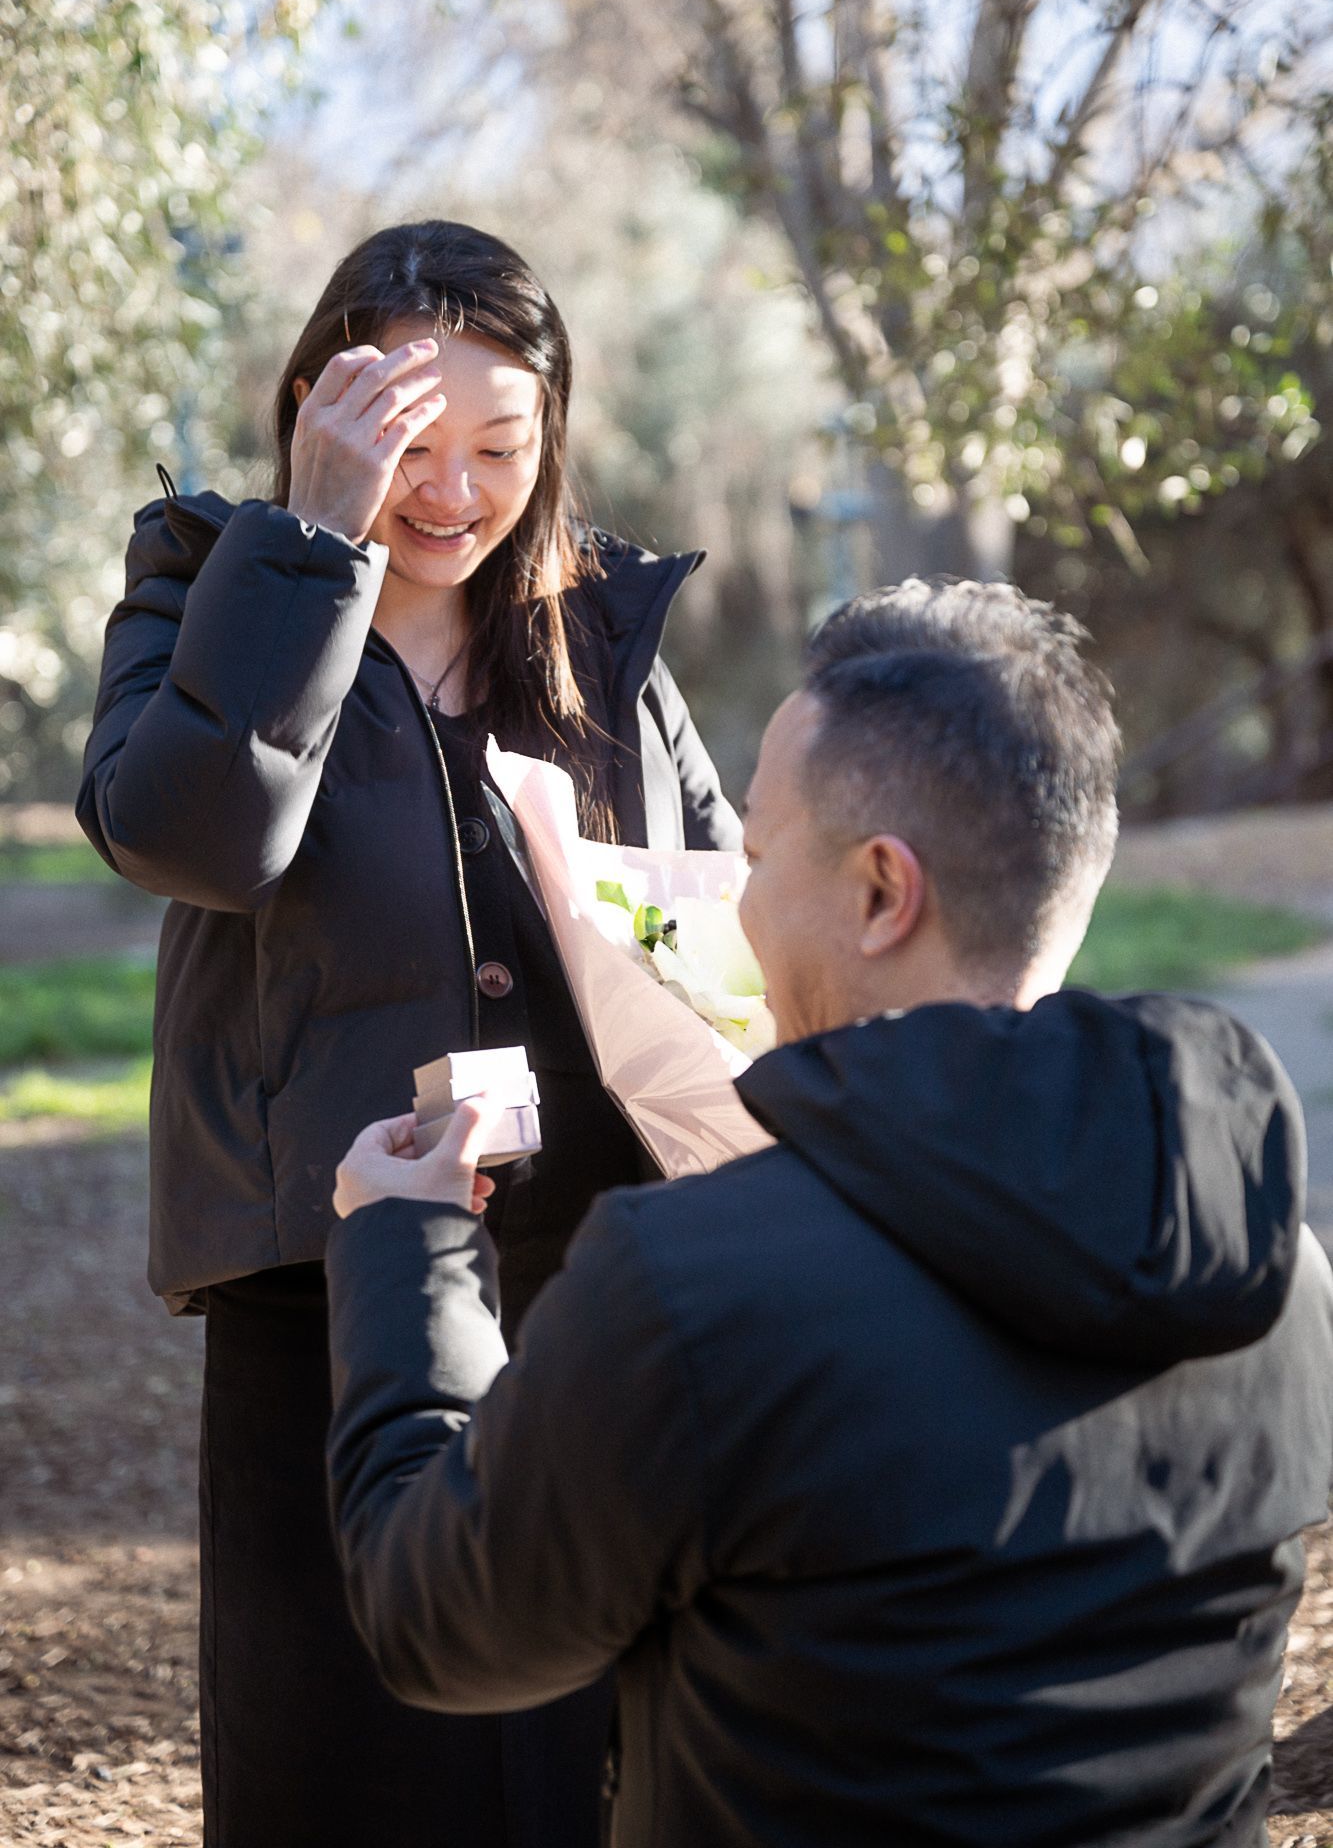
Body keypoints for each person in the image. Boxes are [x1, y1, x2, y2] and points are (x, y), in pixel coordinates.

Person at [326, 578, 1333, 1848]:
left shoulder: (701, 1289)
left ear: (879, 891)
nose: (734, 905)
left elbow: (439, 1618)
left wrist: (407, 1247)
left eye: (750, 854)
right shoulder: (1279, 1273)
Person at [75, 220, 740, 1848]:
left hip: (597, 1285)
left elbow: (714, 924)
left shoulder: (605, 640)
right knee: (346, 1755)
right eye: (406, 444)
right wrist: (313, 542)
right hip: (328, 1290)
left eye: (500, 448)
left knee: (589, 1754)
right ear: (315, 406)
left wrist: (632, 925)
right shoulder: (203, 582)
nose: (451, 491)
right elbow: (191, 836)